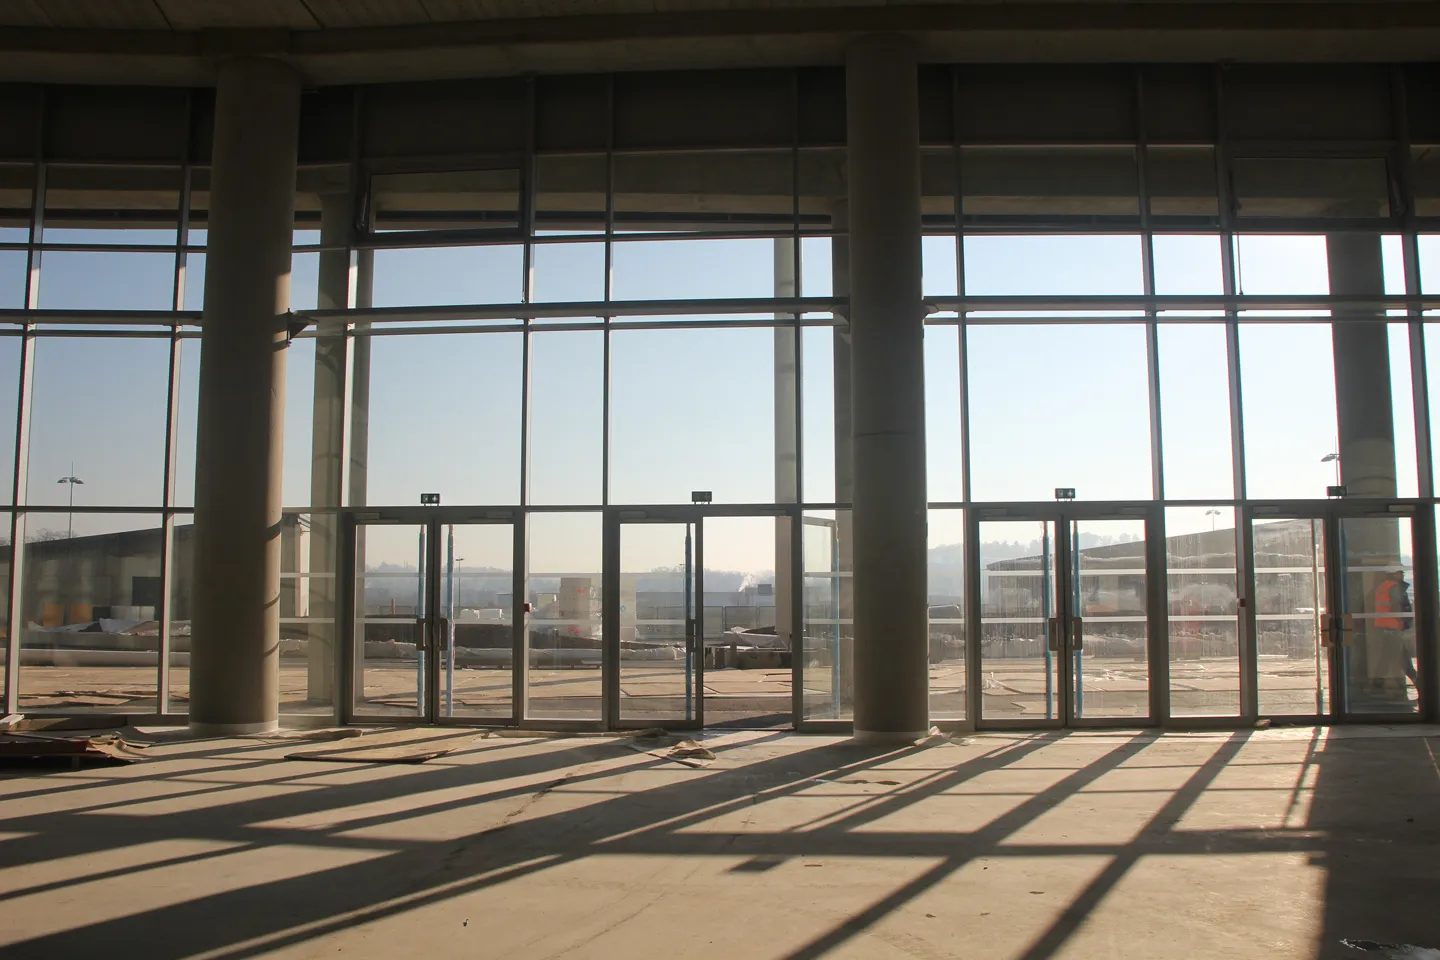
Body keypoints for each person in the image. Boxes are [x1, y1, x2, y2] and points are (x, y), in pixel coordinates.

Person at [1372, 569, 1418, 692]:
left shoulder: (1382, 587)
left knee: (1387, 658)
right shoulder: (1394, 587)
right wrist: (1405, 622)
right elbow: (1399, 606)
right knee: (1402, 658)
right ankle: (1419, 684)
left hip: (1386, 627)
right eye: (1400, 572)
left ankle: (1376, 686)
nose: (1402, 575)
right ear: (1394, 573)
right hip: (1394, 627)